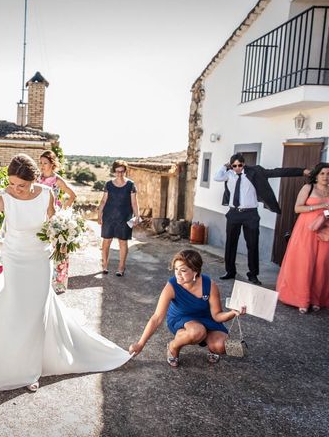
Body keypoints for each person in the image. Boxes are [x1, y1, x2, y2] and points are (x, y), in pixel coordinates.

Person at [0, 154, 131, 391]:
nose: (15, 189)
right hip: (15, 260)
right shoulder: (4, 198)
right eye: (11, 183)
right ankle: (1, 354)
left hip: (40, 261)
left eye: (20, 185)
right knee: (16, 307)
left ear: (33, 180)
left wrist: (63, 238)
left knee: (36, 313)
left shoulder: (46, 193)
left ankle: (30, 371)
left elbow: (54, 225)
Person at [129, 249, 246, 367]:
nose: (178, 274)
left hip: (207, 318)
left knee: (221, 346)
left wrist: (233, 313)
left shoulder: (209, 285)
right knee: (197, 332)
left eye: (183, 270)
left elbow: (217, 316)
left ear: (195, 271)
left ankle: (212, 348)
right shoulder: (171, 286)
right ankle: (173, 346)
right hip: (181, 319)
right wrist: (140, 344)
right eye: (176, 269)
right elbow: (157, 317)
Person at [214, 153, 308, 286]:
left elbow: (277, 172)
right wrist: (225, 166)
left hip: (250, 214)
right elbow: (217, 177)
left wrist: (301, 172)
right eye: (234, 166)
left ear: (244, 164)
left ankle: (253, 274)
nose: (237, 168)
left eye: (240, 165)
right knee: (230, 244)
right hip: (233, 213)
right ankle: (230, 271)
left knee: (252, 245)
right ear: (231, 165)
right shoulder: (228, 174)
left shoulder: (255, 172)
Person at [276, 162, 329, 313]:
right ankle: (301, 299)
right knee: (304, 263)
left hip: (325, 230)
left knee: (321, 265)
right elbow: (297, 208)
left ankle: (316, 298)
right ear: (317, 175)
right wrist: (320, 207)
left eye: (328, 174)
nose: (325, 177)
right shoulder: (308, 188)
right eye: (322, 173)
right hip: (306, 229)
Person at [38, 150, 77, 293]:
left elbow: (73, 195)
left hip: (53, 218)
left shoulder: (57, 180)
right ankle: (41, 280)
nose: (42, 166)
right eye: (40, 163)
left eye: (45, 163)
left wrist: (63, 211)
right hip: (38, 217)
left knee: (57, 249)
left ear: (52, 164)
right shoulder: (37, 178)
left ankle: (57, 284)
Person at [97, 160, 140, 276]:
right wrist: (99, 214)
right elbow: (103, 200)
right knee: (106, 241)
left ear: (125, 171)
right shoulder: (109, 184)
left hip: (125, 217)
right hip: (109, 216)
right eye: (117, 171)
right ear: (114, 171)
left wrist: (137, 216)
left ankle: (121, 267)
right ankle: (105, 265)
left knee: (122, 242)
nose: (120, 174)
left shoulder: (131, 185)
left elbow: (134, 203)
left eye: (122, 171)